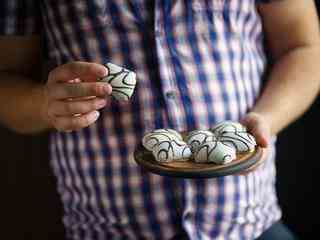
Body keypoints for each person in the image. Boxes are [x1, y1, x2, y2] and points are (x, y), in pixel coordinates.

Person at [0, 0, 319, 239]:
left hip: (250, 224)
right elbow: (7, 80)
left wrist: (266, 118)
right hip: (105, 230)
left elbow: (303, 47)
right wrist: (45, 103)